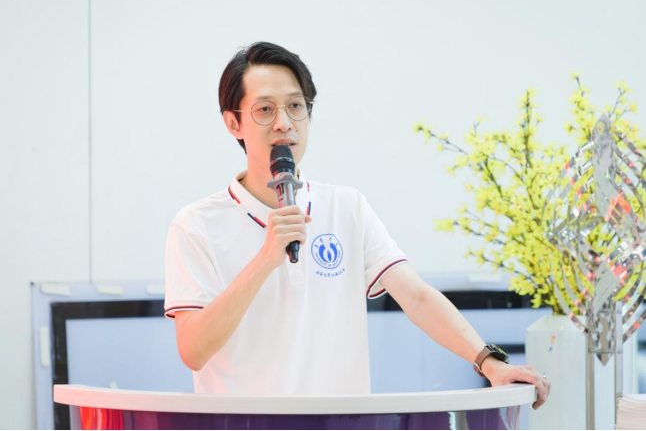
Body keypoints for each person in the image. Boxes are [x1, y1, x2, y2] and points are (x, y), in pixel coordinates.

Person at [163, 41, 551, 409]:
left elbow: (415, 296)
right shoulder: (197, 225)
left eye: (295, 106)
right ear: (233, 122)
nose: (284, 123)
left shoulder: (346, 207)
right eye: (264, 109)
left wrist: (490, 362)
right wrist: (265, 259)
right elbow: (193, 350)